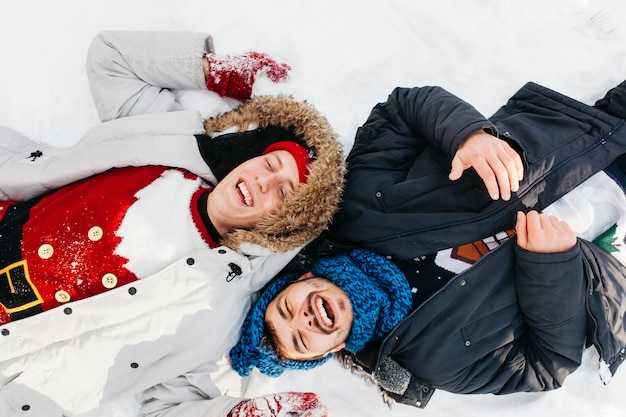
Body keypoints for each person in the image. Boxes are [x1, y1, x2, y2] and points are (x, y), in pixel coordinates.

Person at [213, 80, 626, 410]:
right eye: (302, 340)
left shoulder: (355, 206)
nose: (304, 319)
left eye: (287, 308)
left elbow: (401, 109)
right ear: (334, 347)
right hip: (610, 256)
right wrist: (550, 268)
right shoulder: (437, 361)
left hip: (586, 142)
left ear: (301, 278)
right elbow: (546, 366)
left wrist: (468, 136)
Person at [0, 31, 344, 417]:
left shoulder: (218, 310)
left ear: (278, 226)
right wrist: (220, 74)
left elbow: (169, 407)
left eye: (283, 194)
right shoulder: (169, 149)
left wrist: (237, 415)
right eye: (268, 164)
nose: (264, 182)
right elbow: (110, 59)